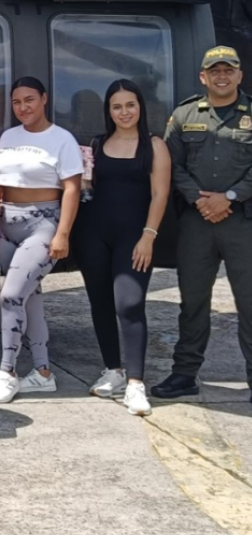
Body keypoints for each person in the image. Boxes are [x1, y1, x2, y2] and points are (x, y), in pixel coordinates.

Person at [155, 46, 252, 404]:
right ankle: (184, 374)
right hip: (198, 222)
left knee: (250, 303)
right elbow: (171, 165)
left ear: (240, 75)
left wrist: (229, 196)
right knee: (193, 302)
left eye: (229, 70)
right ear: (203, 77)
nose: (222, 76)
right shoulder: (184, 115)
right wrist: (200, 198)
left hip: (242, 221)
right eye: (215, 71)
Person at [0, 76, 82, 404]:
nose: (22, 107)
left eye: (29, 100)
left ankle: (6, 372)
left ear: (44, 99)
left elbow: (71, 188)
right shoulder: (7, 136)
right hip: (7, 227)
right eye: (16, 102)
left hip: (43, 225)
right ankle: (42, 373)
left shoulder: (62, 139)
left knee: (10, 296)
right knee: (30, 299)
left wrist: (63, 233)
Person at [74, 79, 169, 417]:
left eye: (130, 105)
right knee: (100, 303)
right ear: (109, 111)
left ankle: (135, 383)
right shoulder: (98, 145)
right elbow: (87, 191)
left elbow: (159, 194)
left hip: (135, 236)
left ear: (140, 107)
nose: (124, 112)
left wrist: (148, 235)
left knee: (129, 304)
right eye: (117, 106)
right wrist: (83, 179)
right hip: (94, 235)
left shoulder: (154, 145)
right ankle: (113, 370)